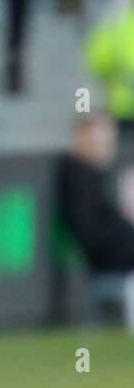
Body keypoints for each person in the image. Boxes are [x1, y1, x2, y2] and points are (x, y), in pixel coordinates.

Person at [57, 112, 134, 327]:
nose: (107, 145)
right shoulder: (76, 176)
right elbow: (89, 232)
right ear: (81, 136)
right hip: (109, 264)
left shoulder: (96, 176)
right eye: (100, 138)